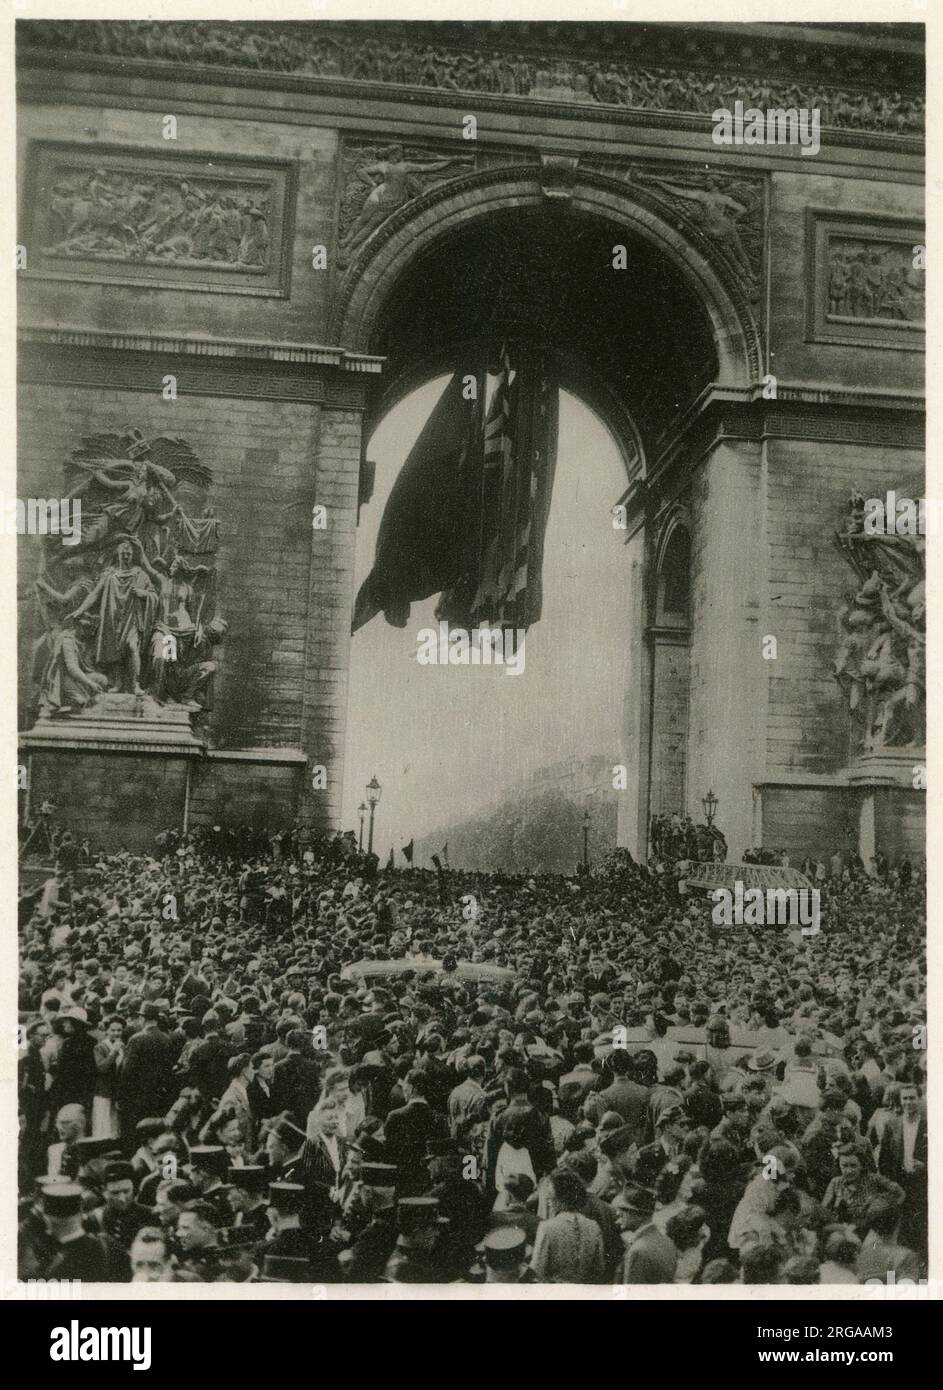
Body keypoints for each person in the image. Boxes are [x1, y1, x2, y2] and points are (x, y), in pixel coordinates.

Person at [530, 1168, 605, 1283]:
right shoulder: (593, 1226)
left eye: (550, 1194)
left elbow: (536, 1270)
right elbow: (599, 1269)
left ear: (561, 1196)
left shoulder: (547, 1227)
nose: (547, 1198)